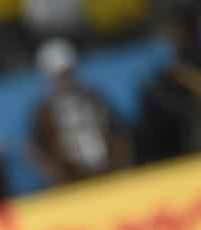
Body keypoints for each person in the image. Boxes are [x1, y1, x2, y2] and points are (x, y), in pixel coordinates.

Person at [28, 39, 131, 186]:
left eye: (67, 73)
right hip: (74, 183)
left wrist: (121, 165)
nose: (64, 80)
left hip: (111, 175)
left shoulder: (94, 98)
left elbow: (119, 132)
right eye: (59, 75)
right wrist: (59, 177)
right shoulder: (43, 111)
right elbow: (36, 150)